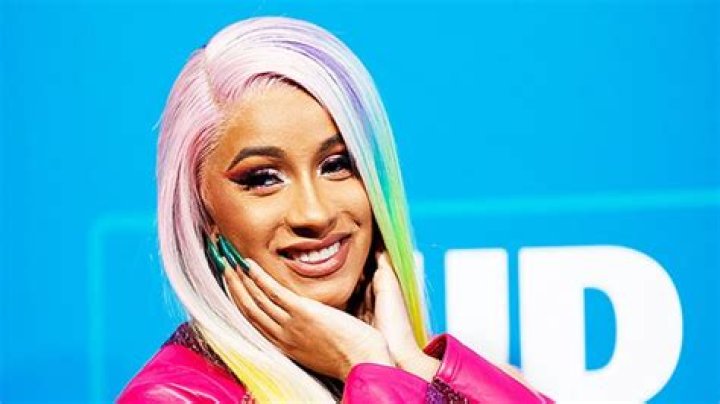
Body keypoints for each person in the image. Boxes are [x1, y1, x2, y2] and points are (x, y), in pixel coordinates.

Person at [118, 16, 553, 403]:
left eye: (337, 165)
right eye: (264, 178)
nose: (315, 213)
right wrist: (365, 365)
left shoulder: (418, 366)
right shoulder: (167, 399)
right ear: (204, 213)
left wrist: (410, 363)